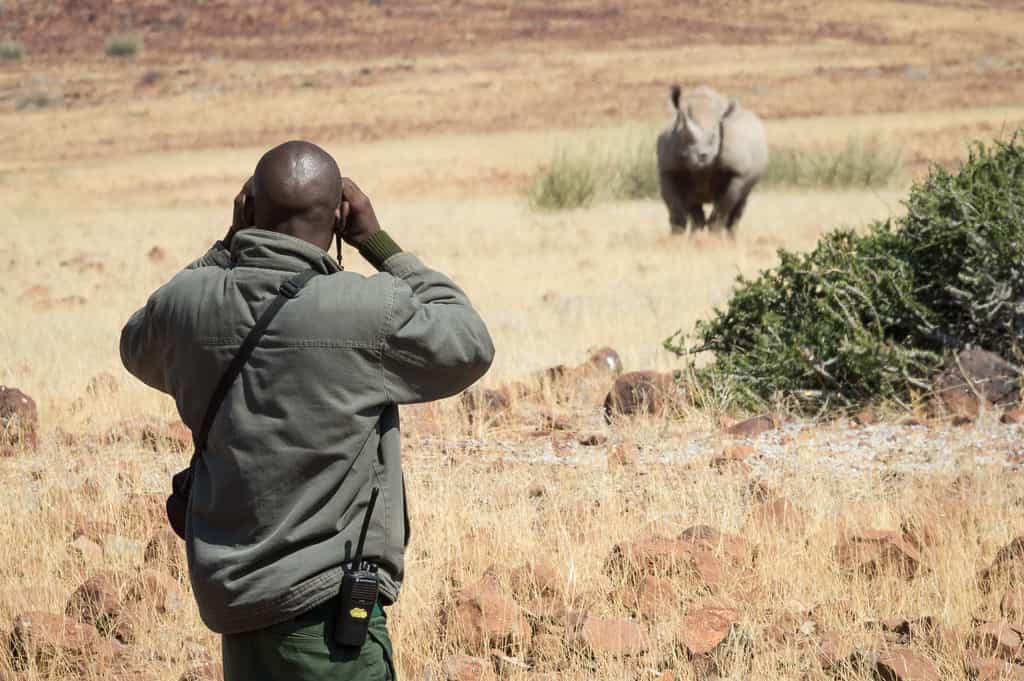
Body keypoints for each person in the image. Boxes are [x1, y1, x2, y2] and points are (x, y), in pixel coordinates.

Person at [120, 140, 495, 680]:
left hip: (238, 617)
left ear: (248, 209)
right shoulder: (366, 309)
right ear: (340, 217)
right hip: (329, 622)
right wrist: (379, 244)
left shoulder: (188, 308)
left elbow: (137, 338)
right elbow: (470, 343)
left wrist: (226, 245)